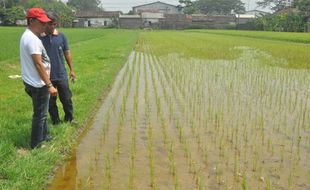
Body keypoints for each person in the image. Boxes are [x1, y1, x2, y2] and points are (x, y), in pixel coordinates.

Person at [20, 8, 58, 149]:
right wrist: (49, 85)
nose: (44, 25)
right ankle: (36, 144)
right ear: (32, 21)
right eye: (41, 22)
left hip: (32, 81)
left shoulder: (29, 35)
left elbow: (48, 32)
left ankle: (45, 135)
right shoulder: (32, 40)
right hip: (38, 84)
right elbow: (38, 64)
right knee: (40, 115)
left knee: (43, 111)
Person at [40, 11, 76, 125]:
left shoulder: (61, 36)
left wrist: (72, 70)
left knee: (66, 98)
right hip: (47, 76)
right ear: (45, 23)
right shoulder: (39, 38)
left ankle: (70, 118)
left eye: (54, 24)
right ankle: (56, 121)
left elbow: (67, 52)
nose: (52, 26)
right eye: (50, 23)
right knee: (51, 101)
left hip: (61, 74)